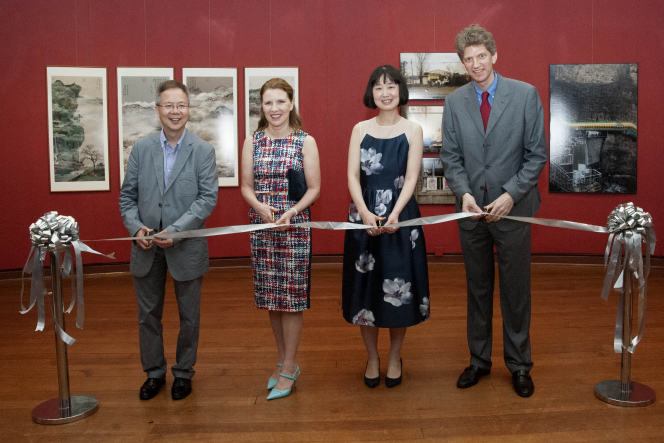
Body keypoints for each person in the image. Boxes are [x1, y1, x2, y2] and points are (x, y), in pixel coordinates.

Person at [439, 24, 548, 397]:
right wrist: (463, 193)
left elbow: (536, 157)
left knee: (516, 291)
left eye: (481, 56)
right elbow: (450, 158)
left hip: (513, 210)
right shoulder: (454, 103)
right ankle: (478, 361)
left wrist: (511, 195)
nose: (475, 64)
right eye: (468, 59)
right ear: (462, 63)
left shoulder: (525, 95)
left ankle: (519, 366)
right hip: (471, 211)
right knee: (478, 288)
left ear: (494, 55)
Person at [119, 80, 218, 401]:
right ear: (158, 110)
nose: (175, 112)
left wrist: (174, 231)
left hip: (186, 248)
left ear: (189, 110)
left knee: (190, 317)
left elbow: (206, 199)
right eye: (169, 105)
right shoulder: (141, 148)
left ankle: (184, 373)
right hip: (145, 248)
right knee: (148, 315)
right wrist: (136, 230)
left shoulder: (202, 151)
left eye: (181, 105)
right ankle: (154, 373)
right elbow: (127, 198)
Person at [342, 65, 430, 389]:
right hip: (363, 217)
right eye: (378, 87)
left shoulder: (413, 130)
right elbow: (352, 175)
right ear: (371, 93)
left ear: (400, 91)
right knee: (365, 292)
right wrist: (364, 212)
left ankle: (394, 356)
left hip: (400, 217)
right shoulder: (360, 128)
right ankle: (372, 357)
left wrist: (395, 213)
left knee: (398, 292)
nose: (385, 92)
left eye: (391, 85)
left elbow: (411, 178)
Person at [240, 78, 321, 401]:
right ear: (263, 107)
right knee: (271, 298)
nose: (274, 108)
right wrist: (260, 208)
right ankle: (283, 357)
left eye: (280, 102)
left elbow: (314, 188)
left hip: (295, 227)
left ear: (291, 104)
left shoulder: (305, 141)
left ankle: (289, 365)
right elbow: (246, 186)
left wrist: (290, 212)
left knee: (291, 298)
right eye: (268, 102)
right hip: (262, 227)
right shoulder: (253, 141)